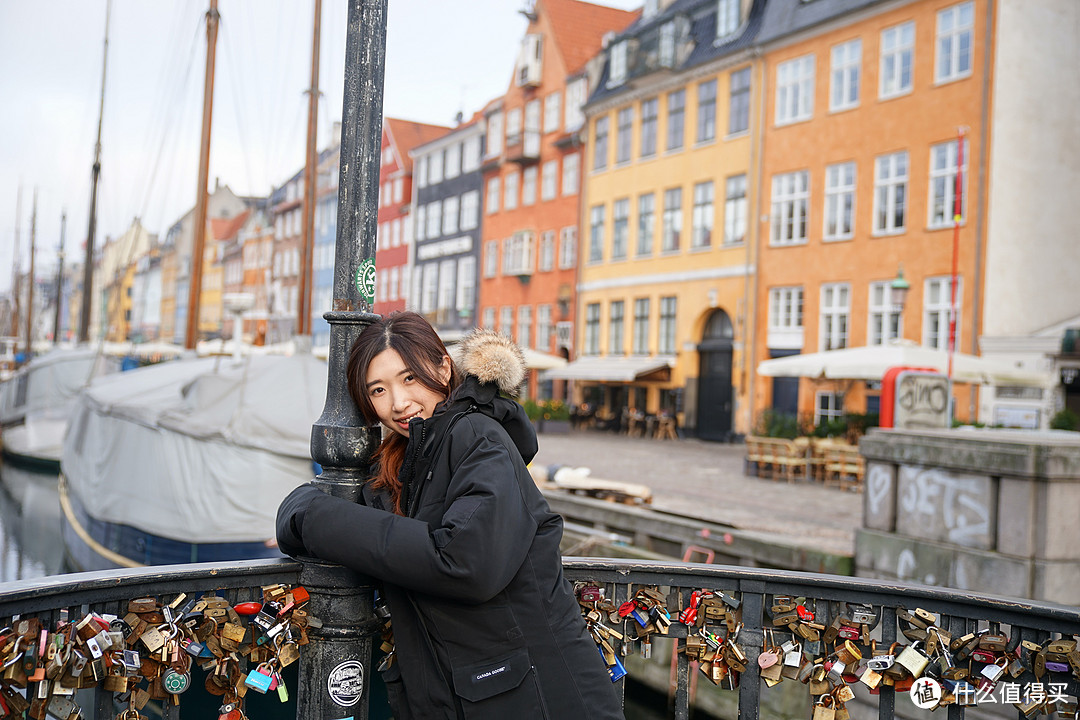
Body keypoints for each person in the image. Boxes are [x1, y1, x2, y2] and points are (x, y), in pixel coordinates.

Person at [276, 312, 623, 720]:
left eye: (409, 378)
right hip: (470, 696)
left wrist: (313, 516)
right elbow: (391, 546)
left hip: (541, 698)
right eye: (378, 390)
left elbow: (464, 563)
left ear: (443, 367)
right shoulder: (406, 461)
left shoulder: (477, 436)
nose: (398, 403)